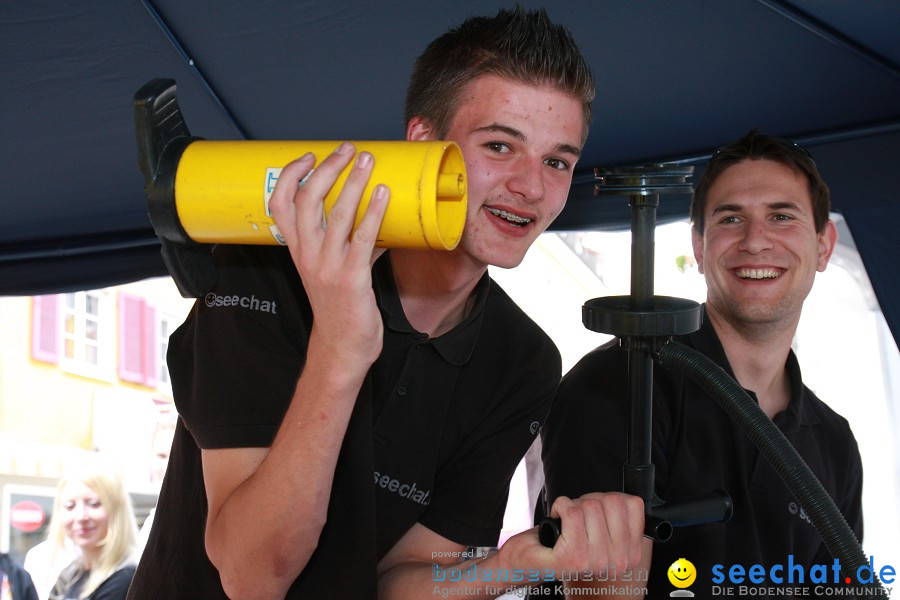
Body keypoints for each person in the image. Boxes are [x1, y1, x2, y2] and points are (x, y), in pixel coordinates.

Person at [127, 7, 645, 599]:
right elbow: (253, 574)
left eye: (558, 161)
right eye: (500, 146)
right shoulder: (267, 269)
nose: (532, 187)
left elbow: (399, 581)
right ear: (423, 141)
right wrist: (342, 347)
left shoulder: (521, 361)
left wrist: (515, 565)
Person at [540, 130, 863, 597]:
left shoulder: (834, 444)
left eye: (781, 216)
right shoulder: (618, 385)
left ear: (824, 245)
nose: (756, 241)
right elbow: (594, 587)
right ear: (699, 246)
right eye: (731, 218)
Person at [48, 460, 139, 600]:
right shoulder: (70, 575)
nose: (81, 517)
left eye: (93, 504)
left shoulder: (125, 580)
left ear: (117, 511)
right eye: (70, 506)